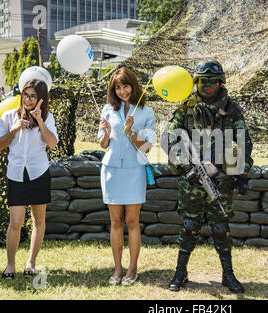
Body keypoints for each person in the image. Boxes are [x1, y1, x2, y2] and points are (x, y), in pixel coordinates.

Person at [163, 60, 253, 293]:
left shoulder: (232, 109)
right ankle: (180, 273)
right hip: (193, 179)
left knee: (221, 227)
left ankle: (228, 275)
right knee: (189, 226)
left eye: (213, 81)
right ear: (197, 83)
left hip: (221, 179)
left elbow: (243, 142)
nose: (208, 85)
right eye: (203, 81)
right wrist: (184, 167)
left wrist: (241, 174)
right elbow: (169, 140)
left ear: (221, 82)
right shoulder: (186, 108)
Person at [98, 67, 156, 286]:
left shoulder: (146, 112)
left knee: (132, 221)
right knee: (115, 221)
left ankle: (132, 270)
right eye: (118, 87)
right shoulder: (107, 109)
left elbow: (148, 147)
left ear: (134, 85)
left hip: (134, 170)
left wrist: (131, 131)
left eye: (126, 86)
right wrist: (104, 132)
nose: (123, 91)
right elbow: (104, 144)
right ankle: (117, 269)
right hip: (111, 170)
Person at [0, 79, 58, 279]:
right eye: (26, 95)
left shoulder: (47, 118)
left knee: (39, 221)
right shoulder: (8, 116)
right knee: (16, 221)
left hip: (39, 172)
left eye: (33, 96)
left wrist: (39, 120)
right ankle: (10, 265)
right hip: (16, 174)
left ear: (41, 99)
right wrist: (14, 130)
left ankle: (31, 263)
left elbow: (53, 144)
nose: (28, 99)